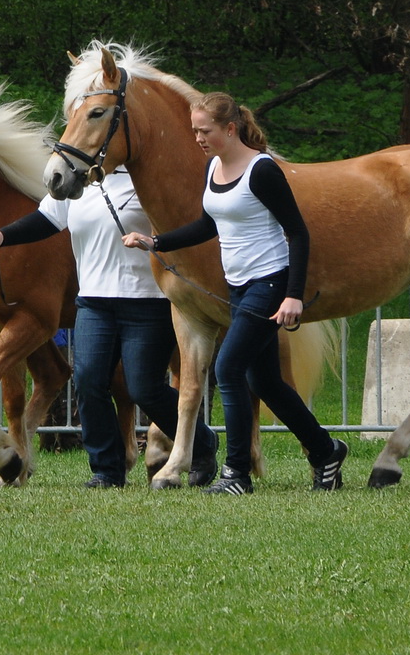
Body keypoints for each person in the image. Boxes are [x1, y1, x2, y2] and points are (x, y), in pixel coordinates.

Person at [120, 93, 347, 495]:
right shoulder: (214, 169)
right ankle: (325, 450)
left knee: (227, 368)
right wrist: (156, 242)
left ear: (230, 128)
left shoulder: (262, 171)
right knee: (268, 383)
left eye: (204, 131)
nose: (198, 138)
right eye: (194, 131)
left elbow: (298, 232)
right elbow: (208, 225)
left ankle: (236, 474)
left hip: (270, 283)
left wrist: (293, 296)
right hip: (238, 286)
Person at [0, 168, 219, 488]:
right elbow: (47, 219)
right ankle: (107, 469)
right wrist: (4, 235)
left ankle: (201, 444)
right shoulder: (76, 182)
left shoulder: (148, 177)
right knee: (89, 381)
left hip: (147, 300)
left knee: (143, 388)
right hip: (94, 302)